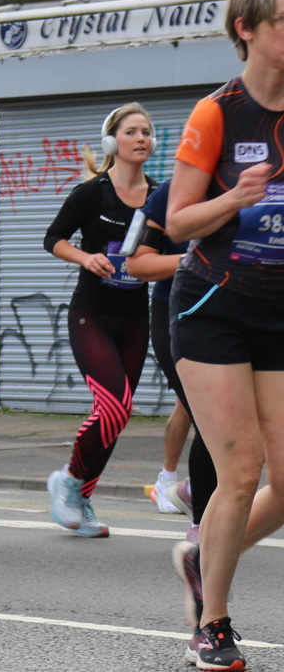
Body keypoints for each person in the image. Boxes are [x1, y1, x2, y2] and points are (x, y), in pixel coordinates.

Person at [165, 0, 284, 670]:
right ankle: (213, 622)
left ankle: (200, 550)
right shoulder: (218, 113)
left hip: (279, 307)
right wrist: (235, 198)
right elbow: (178, 220)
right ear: (249, 30)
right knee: (239, 470)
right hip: (213, 305)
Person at [43, 103, 157, 538]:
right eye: (132, 131)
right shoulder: (92, 192)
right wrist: (85, 257)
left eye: (146, 131)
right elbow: (52, 238)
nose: (142, 138)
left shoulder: (159, 195)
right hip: (91, 314)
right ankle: (69, 482)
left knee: (116, 414)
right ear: (113, 141)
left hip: (135, 318)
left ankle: (81, 498)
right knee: (114, 405)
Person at [126, 182, 215, 527]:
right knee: (211, 421)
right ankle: (201, 527)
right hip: (177, 315)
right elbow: (136, 264)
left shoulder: (263, 191)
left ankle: (193, 493)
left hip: (241, 317)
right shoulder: (168, 194)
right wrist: (194, 260)